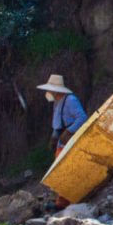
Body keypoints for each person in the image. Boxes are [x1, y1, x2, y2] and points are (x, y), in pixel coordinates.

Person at [37, 74, 88, 211]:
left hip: (70, 138)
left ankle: (63, 201)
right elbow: (57, 123)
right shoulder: (57, 102)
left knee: (65, 170)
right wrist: (54, 137)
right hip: (61, 139)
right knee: (60, 170)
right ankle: (62, 198)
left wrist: (69, 131)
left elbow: (82, 117)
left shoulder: (70, 100)